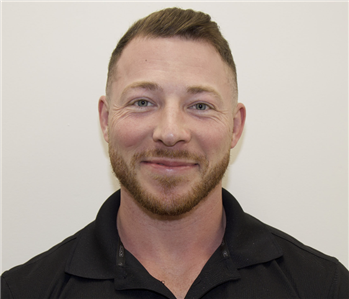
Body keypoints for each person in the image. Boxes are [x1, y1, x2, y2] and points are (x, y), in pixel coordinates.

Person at [1, 7, 348, 299]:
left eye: (199, 105)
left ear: (235, 126)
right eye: (142, 102)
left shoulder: (324, 287)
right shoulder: (22, 291)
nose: (169, 132)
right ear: (106, 121)